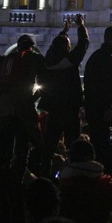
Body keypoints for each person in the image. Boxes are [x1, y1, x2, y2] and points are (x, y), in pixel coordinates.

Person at [37, 14, 90, 175]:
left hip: (53, 109)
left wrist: (65, 31)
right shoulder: (69, 61)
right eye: (68, 44)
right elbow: (83, 45)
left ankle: (44, 172)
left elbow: (55, 47)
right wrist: (81, 26)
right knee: (73, 143)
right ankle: (74, 172)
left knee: (50, 144)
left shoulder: (48, 62)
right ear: (67, 48)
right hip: (69, 108)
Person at [0, 34, 45, 174]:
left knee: (6, 146)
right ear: (32, 46)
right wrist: (33, 98)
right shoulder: (36, 58)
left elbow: (1, 83)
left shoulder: (9, 59)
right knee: (32, 144)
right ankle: (25, 174)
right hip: (24, 106)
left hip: (4, 109)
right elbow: (46, 82)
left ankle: (4, 176)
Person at [83, 25, 112, 171]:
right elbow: (109, 87)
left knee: (97, 141)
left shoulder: (94, 57)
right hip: (103, 110)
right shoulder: (109, 60)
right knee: (104, 144)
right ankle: (103, 172)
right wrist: (110, 107)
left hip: (92, 108)